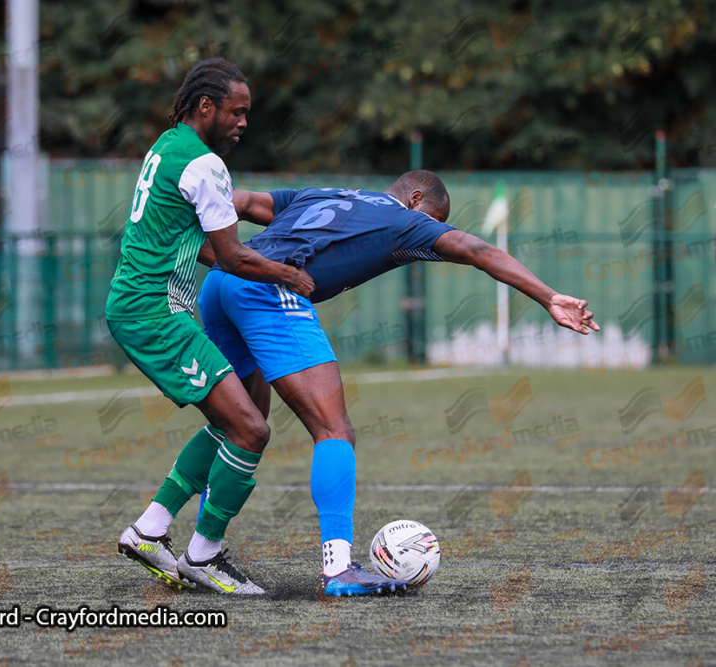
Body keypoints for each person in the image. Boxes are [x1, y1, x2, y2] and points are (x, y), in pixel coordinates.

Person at [169, 171, 597, 596]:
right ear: (415, 200)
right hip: (266, 292)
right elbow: (476, 248)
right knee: (334, 429)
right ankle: (338, 569)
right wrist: (548, 296)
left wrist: (207, 250)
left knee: (238, 425)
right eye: (435, 220)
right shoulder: (404, 221)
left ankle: (156, 530)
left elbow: (239, 202)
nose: (433, 233)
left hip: (222, 283)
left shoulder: (325, 193)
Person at [107, 57, 350, 595]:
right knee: (252, 428)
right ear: (206, 106)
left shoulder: (167, 147)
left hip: (148, 308)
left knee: (228, 423)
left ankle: (149, 531)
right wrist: (291, 275)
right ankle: (204, 554)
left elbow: (209, 253)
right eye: (236, 112)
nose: (243, 123)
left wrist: (253, 263)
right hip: (153, 314)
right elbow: (235, 257)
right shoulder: (205, 165)